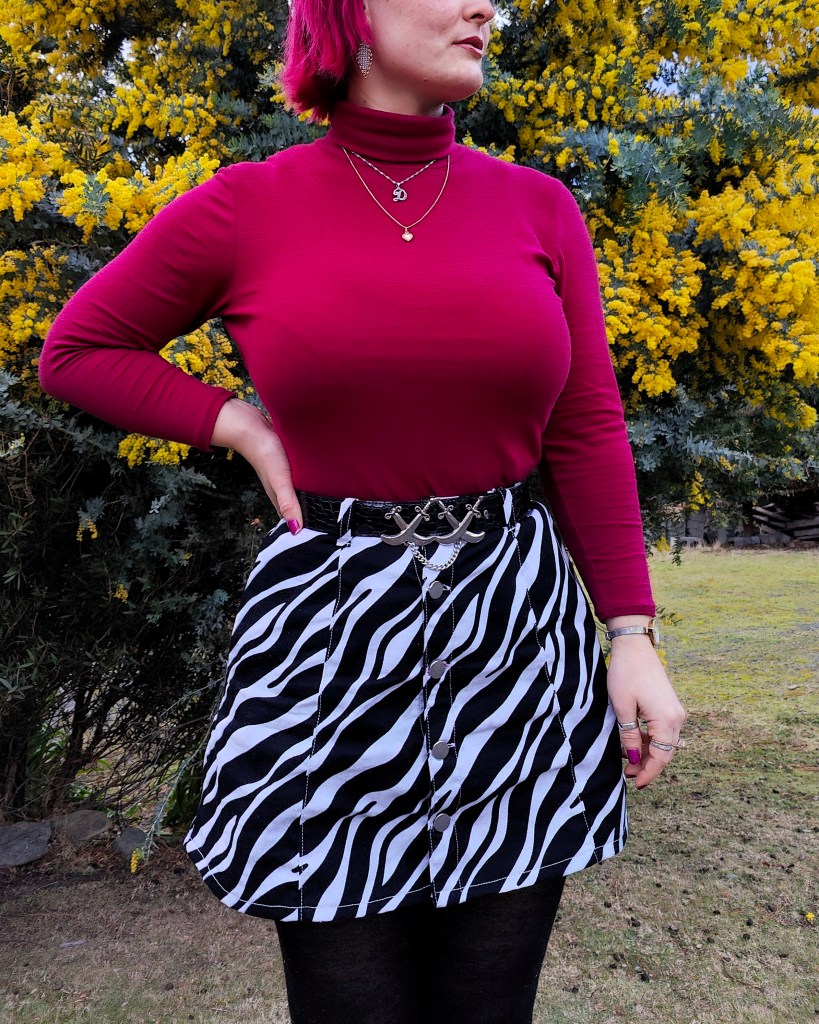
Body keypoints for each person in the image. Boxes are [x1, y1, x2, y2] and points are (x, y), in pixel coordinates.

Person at [39, 1, 687, 1021]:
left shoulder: (538, 208)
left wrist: (632, 634)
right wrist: (237, 424)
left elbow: (586, 427)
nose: (483, 6)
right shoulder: (249, 206)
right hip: (329, 644)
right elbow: (79, 350)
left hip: (513, 643)